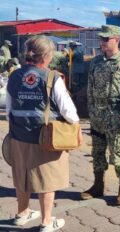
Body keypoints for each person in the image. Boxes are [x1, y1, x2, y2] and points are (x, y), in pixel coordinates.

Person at [5, 35, 82, 232]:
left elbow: (9, 110)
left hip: (18, 136)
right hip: (46, 138)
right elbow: (68, 110)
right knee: (47, 180)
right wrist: (76, 126)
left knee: (22, 176)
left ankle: (22, 213)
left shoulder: (14, 75)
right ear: (46, 56)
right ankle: (47, 222)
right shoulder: (52, 77)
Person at [81, 25, 120, 205]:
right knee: (98, 151)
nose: (102, 42)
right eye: (101, 39)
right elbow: (90, 88)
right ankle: (98, 185)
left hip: (117, 115)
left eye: (106, 39)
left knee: (119, 152)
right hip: (98, 115)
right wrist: (91, 109)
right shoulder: (95, 62)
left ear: (117, 39)